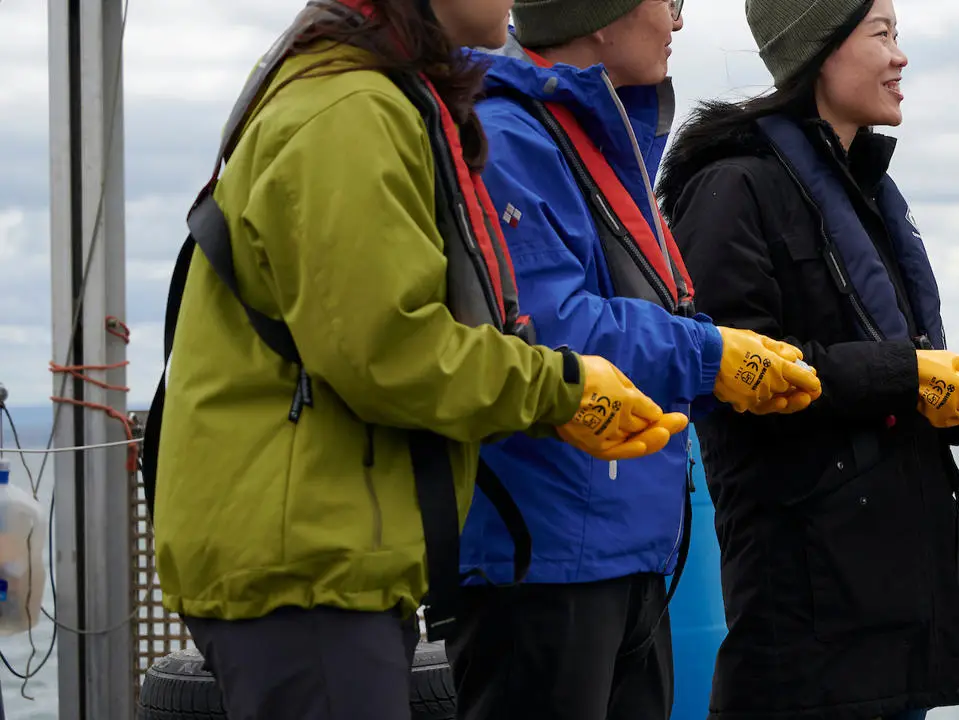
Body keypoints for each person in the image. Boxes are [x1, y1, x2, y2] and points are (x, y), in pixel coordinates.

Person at [142, 0, 688, 717]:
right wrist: (565, 388)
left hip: (330, 553)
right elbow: (391, 350)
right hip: (307, 565)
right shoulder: (350, 110)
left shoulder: (366, 94)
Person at [656, 0, 959, 716]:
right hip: (809, 607)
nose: (900, 57)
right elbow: (735, 373)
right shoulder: (731, 188)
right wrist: (911, 377)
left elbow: (891, 363)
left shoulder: (862, 188)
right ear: (822, 50)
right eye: (883, 35)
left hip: (890, 601)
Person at [446, 0, 822, 717]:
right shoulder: (506, 137)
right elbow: (557, 331)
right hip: (546, 557)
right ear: (601, 18)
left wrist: (728, 371)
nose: (679, 22)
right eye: (669, 0)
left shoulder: (589, 136)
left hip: (628, 550)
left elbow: (645, 315)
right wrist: (715, 355)